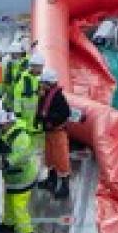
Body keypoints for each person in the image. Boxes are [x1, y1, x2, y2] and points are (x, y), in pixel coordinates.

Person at [0, 104, 41, 233]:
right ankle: (9, 223)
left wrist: (6, 162)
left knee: (18, 206)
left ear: (9, 122)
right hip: (13, 177)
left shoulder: (21, 137)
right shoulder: (6, 133)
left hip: (23, 178)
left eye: (2, 125)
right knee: (9, 201)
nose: (0, 127)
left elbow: (19, 155)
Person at [36, 66, 73, 199]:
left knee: (61, 160)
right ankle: (51, 181)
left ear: (49, 83)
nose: (41, 85)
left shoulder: (58, 97)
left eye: (43, 83)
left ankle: (65, 187)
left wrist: (50, 119)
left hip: (57, 132)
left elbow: (66, 113)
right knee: (50, 157)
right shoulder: (46, 95)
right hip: (49, 132)